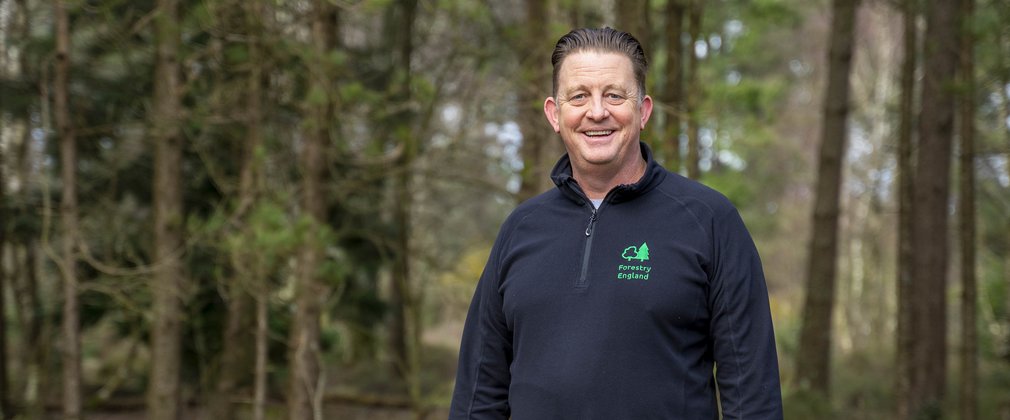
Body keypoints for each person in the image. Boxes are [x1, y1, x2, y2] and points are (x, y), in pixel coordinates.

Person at [449, 27, 783, 419]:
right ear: (555, 115)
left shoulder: (709, 221)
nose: (596, 112)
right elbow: (479, 393)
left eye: (614, 95)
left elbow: (751, 396)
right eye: (579, 96)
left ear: (642, 110)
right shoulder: (520, 228)